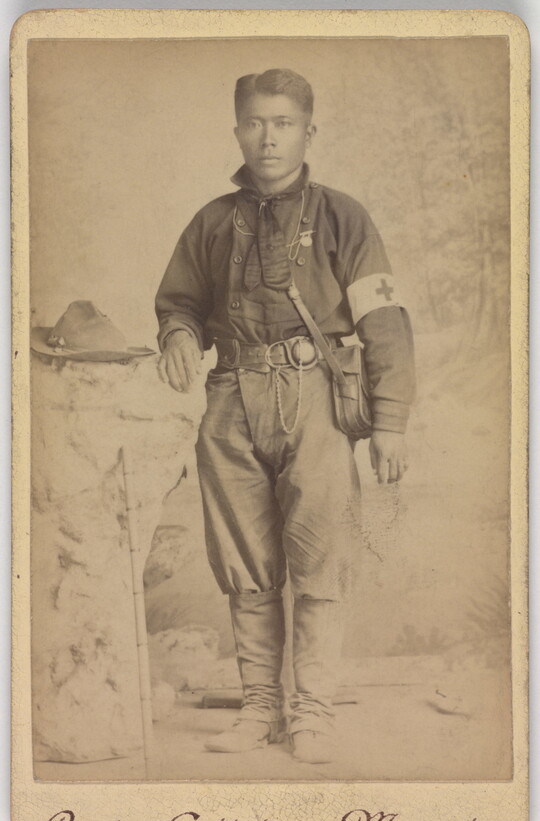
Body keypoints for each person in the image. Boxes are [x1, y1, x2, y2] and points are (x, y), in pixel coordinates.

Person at [155, 68, 415, 764]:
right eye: (255, 123)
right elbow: (179, 302)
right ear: (238, 130)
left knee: (321, 556)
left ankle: (314, 713)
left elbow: (385, 322)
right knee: (245, 561)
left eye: (283, 124)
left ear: (308, 132)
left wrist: (390, 421)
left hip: (317, 401)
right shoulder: (213, 221)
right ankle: (259, 708)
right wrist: (178, 334)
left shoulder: (343, 218)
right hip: (231, 400)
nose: (268, 138)